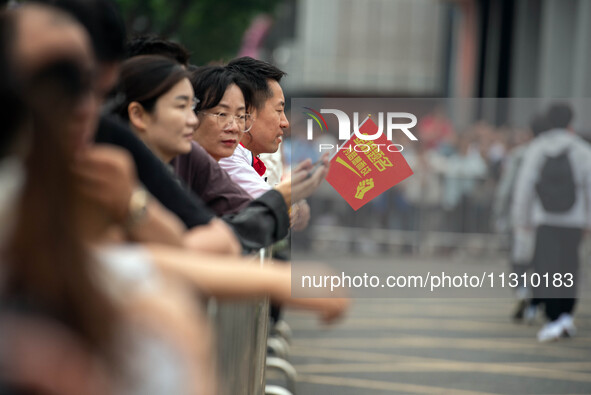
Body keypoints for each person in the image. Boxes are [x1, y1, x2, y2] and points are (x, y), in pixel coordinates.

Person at [512, 102, 591, 342]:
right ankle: (566, 315)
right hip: (573, 219)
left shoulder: (537, 148)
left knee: (546, 268)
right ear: (570, 121)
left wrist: (521, 218)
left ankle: (552, 317)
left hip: (544, 218)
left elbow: (524, 187)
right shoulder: (580, 149)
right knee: (570, 267)